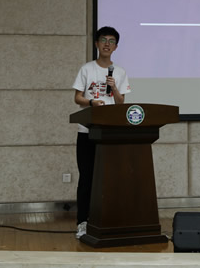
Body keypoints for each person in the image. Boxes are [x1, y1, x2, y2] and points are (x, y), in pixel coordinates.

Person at [72, 26, 131, 239]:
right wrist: (91, 102)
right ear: (97, 44)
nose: (107, 44)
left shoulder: (120, 72)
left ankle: (109, 220)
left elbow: (121, 102)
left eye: (112, 41)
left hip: (110, 133)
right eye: (103, 40)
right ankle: (83, 222)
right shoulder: (87, 69)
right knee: (87, 177)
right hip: (87, 131)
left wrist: (114, 88)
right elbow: (77, 98)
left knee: (111, 178)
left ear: (116, 47)